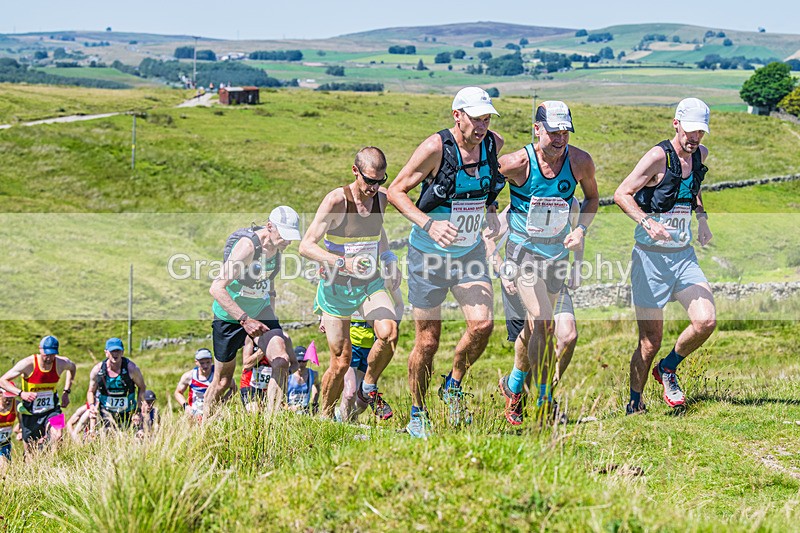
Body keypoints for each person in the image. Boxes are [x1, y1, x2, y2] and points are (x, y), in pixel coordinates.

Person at [387, 86, 506, 438]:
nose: (482, 126)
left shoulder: (492, 143)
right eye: (475, 118)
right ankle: (417, 413)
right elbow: (395, 191)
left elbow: (487, 191)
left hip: (469, 252)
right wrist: (429, 224)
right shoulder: (435, 148)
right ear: (457, 115)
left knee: (482, 326)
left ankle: (452, 385)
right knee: (427, 341)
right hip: (428, 255)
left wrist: (492, 212)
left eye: (486, 118)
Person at [493, 101, 599, 427]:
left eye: (565, 132)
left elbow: (593, 199)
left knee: (537, 326)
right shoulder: (514, 163)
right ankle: (543, 397)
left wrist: (581, 230)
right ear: (537, 129)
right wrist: (496, 259)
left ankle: (513, 387)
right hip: (523, 255)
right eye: (553, 132)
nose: (559, 139)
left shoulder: (580, 162)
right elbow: (482, 201)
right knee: (542, 320)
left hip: (557, 257)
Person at [613, 97, 716, 414]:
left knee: (706, 321)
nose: (694, 138)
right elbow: (621, 194)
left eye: (700, 132)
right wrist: (647, 221)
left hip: (683, 257)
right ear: (676, 124)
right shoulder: (658, 157)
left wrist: (702, 220)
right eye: (690, 131)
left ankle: (668, 368)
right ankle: (634, 402)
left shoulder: (700, 154)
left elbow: (692, 187)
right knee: (649, 341)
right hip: (650, 259)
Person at [299, 147, 401, 420]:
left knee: (389, 332)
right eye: (369, 180)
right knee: (341, 362)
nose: (374, 187)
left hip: (369, 283)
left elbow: (378, 233)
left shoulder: (382, 198)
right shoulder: (336, 201)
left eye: (380, 180)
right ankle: (325, 417)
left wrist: (389, 258)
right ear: (355, 172)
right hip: (336, 288)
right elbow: (306, 246)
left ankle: (368, 386)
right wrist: (341, 263)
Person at [485, 201, 582, 425]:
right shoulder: (520, 202)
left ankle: (540, 394)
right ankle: (520, 388)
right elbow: (488, 238)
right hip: (522, 275)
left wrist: (577, 265)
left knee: (568, 335)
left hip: (555, 275)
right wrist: (502, 271)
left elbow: (577, 235)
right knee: (536, 332)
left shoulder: (572, 203)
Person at [205, 207, 302, 416]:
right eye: (284, 235)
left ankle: (271, 424)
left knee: (281, 360)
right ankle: (204, 422)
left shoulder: (277, 249)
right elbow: (216, 288)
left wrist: (272, 320)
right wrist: (244, 319)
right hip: (230, 316)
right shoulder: (247, 247)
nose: (288, 241)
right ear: (269, 227)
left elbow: (269, 284)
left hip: (260, 311)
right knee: (222, 382)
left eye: (291, 237)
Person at [336, 287, 405, 422]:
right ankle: (345, 427)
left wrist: (392, 327)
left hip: (371, 348)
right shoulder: (348, 280)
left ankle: (344, 419)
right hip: (351, 345)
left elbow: (400, 304)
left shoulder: (380, 280)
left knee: (361, 403)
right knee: (350, 393)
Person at [0, 335, 77, 453]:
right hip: (30, 412)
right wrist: (21, 393)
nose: (49, 357)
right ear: (40, 349)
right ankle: (39, 455)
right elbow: (2, 380)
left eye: (52, 354)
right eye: (46, 354)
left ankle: (54, 462)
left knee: (58, 435)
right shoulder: (28, 364)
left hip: (53, 409)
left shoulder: (61, 363)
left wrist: (66, 391)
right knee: (30, 451)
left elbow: (73, 368)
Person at [87, 338, 147, 431]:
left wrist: (138, 411)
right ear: (106, 353)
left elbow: (142, 387)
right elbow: (91, 391)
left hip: (128, 412)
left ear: (122, 352)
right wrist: (91, 406)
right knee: (107, 437)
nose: (115, 354)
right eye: (112, 351)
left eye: (118, 351)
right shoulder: (98, 370)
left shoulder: (132, 369)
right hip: (106, 412)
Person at [176, 348, 235, 420]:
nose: (205, 366)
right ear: (196, 362)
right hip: (195, 414)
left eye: (208, 362)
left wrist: (223, 402)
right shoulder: (189, 376)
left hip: (215, 413)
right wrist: (186, 406)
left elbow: (234, 388)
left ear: (212, 361)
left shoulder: (219, 375)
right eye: (202, 363)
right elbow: (178, 393)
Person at [286, 346, 320, 413]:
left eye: (304, 361)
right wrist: (288, 407)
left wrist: (314, 403)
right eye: (299, 361)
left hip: (304, 411)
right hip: (288, 412)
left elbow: (317, 385)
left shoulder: (313, 374)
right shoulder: (288, 375)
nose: (301, 364)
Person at [0, 386, 19, 463]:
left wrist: (20, 430)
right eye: (7, 396)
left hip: (5, 443)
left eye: (12, 396)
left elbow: (23, 421)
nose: (9, 399)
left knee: (6, 470)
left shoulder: (16, 404)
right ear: (0, 394)